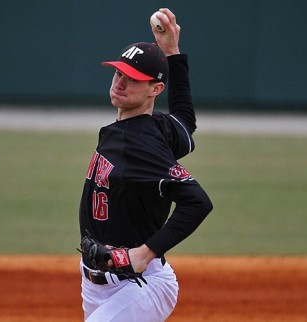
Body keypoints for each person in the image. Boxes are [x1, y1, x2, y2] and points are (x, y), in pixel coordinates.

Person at [78, 8, 213, 322]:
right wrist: (171, 53)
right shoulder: (158, 127)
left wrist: (145, 252)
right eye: (119, 72)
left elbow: (198, 202)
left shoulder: (140, 144)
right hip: (97, 283)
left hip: (139, 283)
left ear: (155, 90)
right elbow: (185, 121)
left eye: (134, 79)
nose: (121, 82)